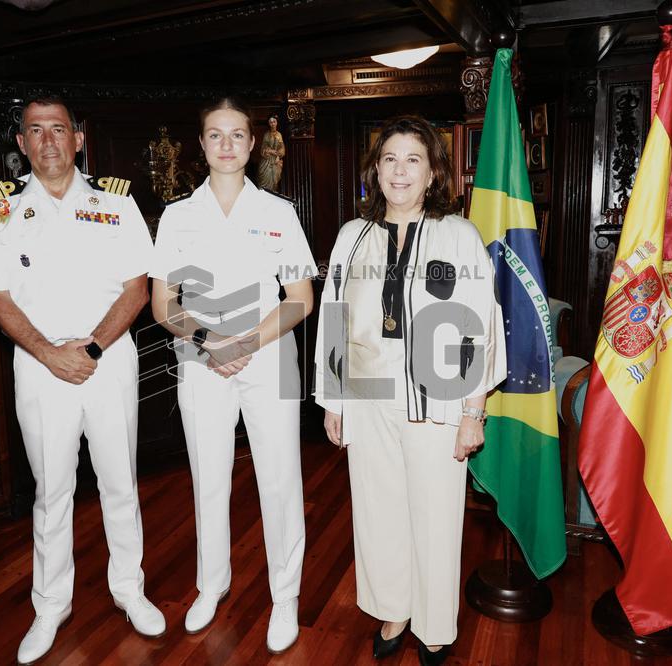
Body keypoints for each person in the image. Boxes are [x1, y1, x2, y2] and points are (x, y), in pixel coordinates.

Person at [0, 97, 164, 665]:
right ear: (20, 144)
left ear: (79, 139)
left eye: (59, 130)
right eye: (35, 131)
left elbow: (137, 290)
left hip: (109, 359)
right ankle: (51, 606)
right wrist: (50, 353)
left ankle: (129, 589)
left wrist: (90, 347)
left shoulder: (115, 203)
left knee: (120, 482)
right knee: (52, 493)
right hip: (40, 366)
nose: (48, 141)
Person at [314, 115, 506, 665]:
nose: (400, 171)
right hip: (369, 394)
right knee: (378, 510)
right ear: (376, 170)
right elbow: (334, 318)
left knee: (436, 513)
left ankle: (435, 623)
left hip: (438, 398)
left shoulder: (458, 234)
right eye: (390, 160)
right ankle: (393, 606)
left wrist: (475, 411)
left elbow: (479, 324)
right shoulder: (352, 236)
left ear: (432, 172)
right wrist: (334, 398)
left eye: (413, 160)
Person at [150, 97, 316, 654]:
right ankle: (210, 585)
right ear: (201, 145)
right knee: (209, 477)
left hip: (267, 356)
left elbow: (299, 300)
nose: (226, 145)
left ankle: (285, 597)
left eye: (237, 135)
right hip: (199, 359)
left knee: (279, 479)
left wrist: (242, 341)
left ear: (252, 144)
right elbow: (162, 304)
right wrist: (209, 341)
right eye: (215, 135)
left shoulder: (279, 213)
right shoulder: (178, 216)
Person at [257, 114, 285, 191]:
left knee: (274, 182)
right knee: (264, 180)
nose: (272, 123)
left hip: (276, 160)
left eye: (274, 121)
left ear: (277, 123)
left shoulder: (279, 135)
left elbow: (282, 148)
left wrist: (278, 153)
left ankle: (273, 191)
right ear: (269, 124)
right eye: (270, 122)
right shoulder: (266, 134)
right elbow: (263, 148)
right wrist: (269, 151)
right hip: (267, 160)